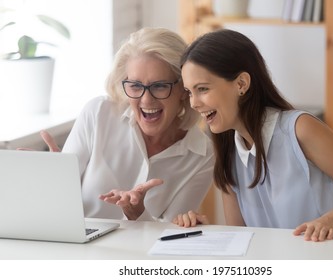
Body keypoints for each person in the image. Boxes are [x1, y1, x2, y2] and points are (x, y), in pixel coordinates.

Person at [173, 29, 333, 241]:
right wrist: (204, 233)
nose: (194, 103)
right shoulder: (228, 153)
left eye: (202, 89)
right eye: (190, 92)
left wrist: (331, 219)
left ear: (241, 84)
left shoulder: (299, 130)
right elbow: (241, 236)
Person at [41, 27, 214, 222]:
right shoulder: (98, 113)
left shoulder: (202, 154)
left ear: (184, 89)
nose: (146, 100)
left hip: (139, 253)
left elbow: (171, 235)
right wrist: (50, 179)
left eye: (159, 86)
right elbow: (57, 206)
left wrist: (138, 214)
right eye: (135, 86)